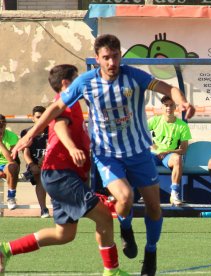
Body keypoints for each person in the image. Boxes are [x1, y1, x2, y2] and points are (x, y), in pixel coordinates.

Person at [13, 34, 195, 276]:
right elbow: (56, 109)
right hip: (107, 155)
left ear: (121, 55)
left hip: (139, 152)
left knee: (154, 207)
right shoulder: (86, 82)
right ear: (97, 59)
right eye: (106, 58)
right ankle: (126, 227)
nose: (111, 62)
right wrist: (31, 133)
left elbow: (167, 87)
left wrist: (182, 101)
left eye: (115, 56)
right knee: (125, 197)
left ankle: (151, 252)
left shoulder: (134, 76)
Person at [1, 64, 128, 276]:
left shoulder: (72, 104)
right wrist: (71, 147)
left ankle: (5, 249)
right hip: (61, 173)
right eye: (78, 79)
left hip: (59, 174)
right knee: (104, 216)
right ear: (67, 84)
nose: (83, 83)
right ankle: (112, 271)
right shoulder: (67, 102)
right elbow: (59, 125)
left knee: (64, 234)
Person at [148, 95, 192, 206]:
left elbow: (183, 149)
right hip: (153, 155)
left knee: (177, 159)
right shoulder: (154, 120)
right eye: (166, 105)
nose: (168, 108)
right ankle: (145, 194)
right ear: (162, 107)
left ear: (175, 107)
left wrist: (167, 152)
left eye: (171, 105)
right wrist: (151, 146)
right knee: (140, 160)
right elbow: (139, 134)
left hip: (168, 156)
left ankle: (174, 194)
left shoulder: (182, 126)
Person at [20, 105, 50, 218]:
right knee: (39, 176)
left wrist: (44, 160)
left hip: (50, 163)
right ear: (33, 118)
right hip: (34, 165)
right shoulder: (26, 132)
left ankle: (59, 207)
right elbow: (26, 153)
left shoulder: (52, 131)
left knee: (46, 173)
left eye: (43, 117)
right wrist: (32, 165)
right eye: (38, 117)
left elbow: (51, 149)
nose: (40, 119)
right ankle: (43, 209)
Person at [0, 114, 20, 210]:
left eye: (2, 124)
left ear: (5, 124)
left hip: (6, 165)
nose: (0, 127)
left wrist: (0, 143)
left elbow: (11, 159)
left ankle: (11, 196)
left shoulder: (12, 136)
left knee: (12, 166)